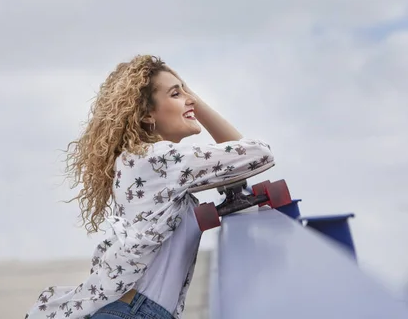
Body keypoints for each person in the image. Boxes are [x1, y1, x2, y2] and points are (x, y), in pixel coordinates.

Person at [25, 55, 275, 319]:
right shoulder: (155, 161)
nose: (189, 99)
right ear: (147, 115)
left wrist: (188, 99)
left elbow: (242, 159)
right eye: (177, 93)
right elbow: (258, 153)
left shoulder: (146, 164)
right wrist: (198, 105)